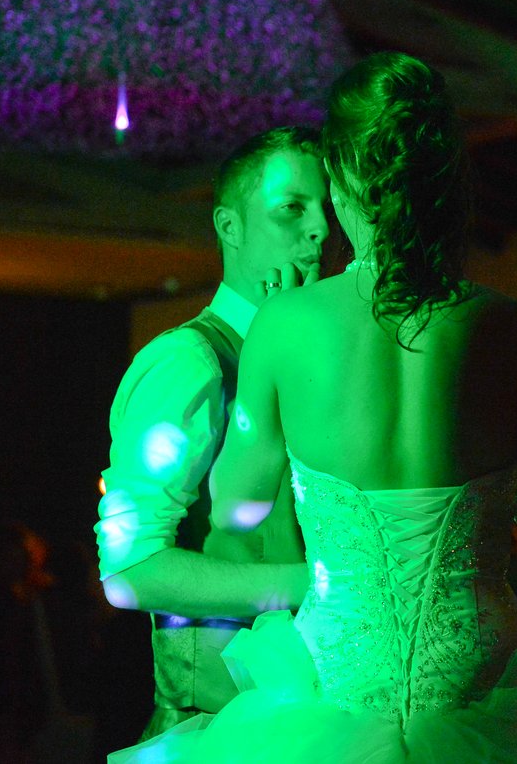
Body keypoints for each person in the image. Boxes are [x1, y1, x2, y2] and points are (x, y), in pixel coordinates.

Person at [110, 52, 517, 763]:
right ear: (449, 179)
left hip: (325, 702)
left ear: (345, 178)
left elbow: (236, 517)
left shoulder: (285, 327)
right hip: (493, 705)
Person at [95, 126, 329, 739]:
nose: (321, 230)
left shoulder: (322, 363)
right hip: (221, 726)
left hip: (329, 717)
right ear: (229, 226)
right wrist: (312, 587)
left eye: (327, 207)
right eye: (293, 208)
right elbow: (130, 568)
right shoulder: (190, 364)